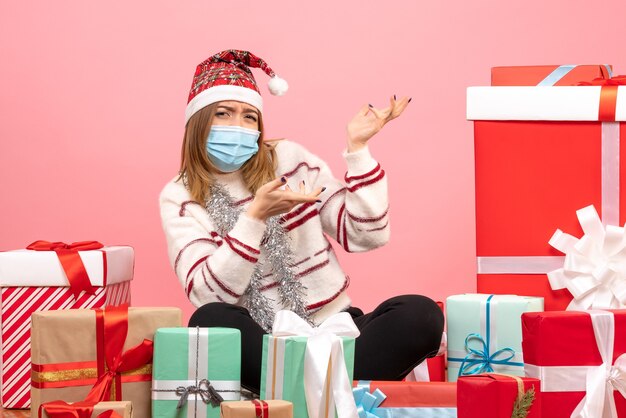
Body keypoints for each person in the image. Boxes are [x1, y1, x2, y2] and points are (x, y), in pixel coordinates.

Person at [160, 50, 444, 393]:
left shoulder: (289, 159)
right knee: (209, 321)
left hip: (337, 330)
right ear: (199, 121)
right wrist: (255, 217)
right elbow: (208, 293)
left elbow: (365, 234)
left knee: (420, 314)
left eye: (250, 117)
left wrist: (358, 149)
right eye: (224, 113)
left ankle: (295, 393)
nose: (239, 126)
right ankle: (334, 393)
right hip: (265, 341)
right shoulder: (179, 196)